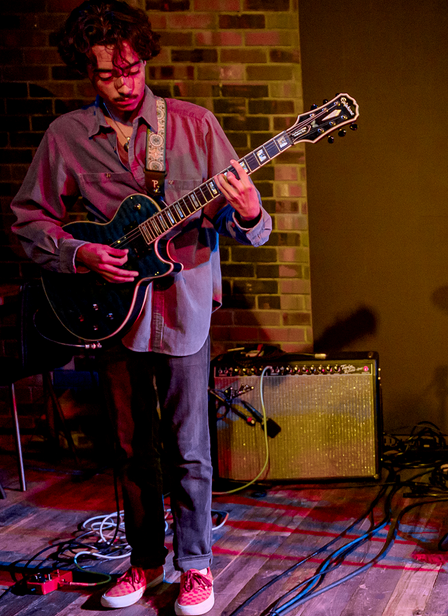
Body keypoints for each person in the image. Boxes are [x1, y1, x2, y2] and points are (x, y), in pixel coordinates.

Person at [9, 2, 271, 614]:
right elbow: (28, 221)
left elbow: (244, 226)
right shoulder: (67, 137)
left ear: (145, 60)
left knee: (189, 448)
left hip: (184, 308)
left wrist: (251, 209)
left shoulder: (195, 126)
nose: (124, 85)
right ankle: (145, 560)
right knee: (130, 447)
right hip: (111, 312)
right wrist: (80, 254)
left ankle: (196, 565)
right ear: (87, 73)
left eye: (131, 69)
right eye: (107, 75)